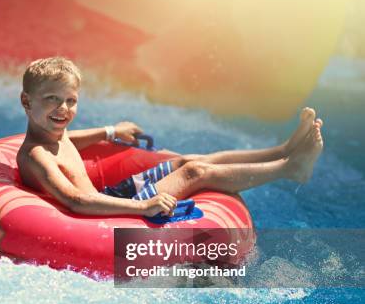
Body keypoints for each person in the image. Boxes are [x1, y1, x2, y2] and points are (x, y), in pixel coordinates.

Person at [16, 57, 324, 217]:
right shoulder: (35, 156)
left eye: (71, 100)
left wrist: (109, 131)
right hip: (106, 210)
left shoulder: (53, 133)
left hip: (112, 194)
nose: (63, 109)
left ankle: (283, 149)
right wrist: (144, 207)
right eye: (52, 99)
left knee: (186, 159)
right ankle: (290, 168)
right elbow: (77, 201)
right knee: (195, 172)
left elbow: (69, 139)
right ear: (27, 102)